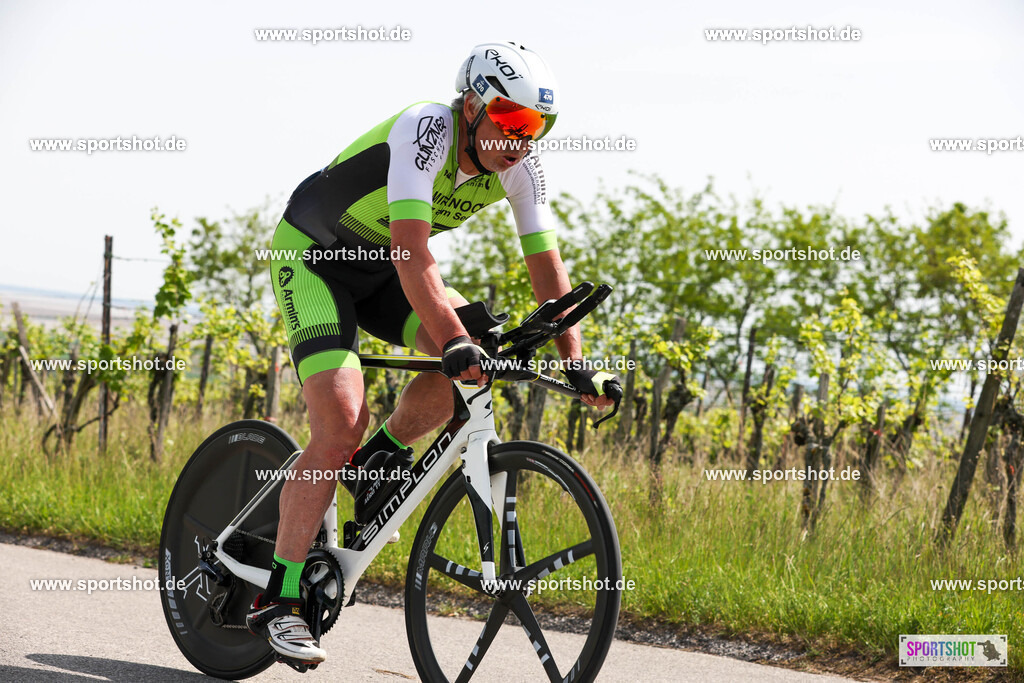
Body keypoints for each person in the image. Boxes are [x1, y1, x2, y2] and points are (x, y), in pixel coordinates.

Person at [247, 41, 618, 664]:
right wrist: (450, 341)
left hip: (389, 271)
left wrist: (575, 358)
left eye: (539, 127)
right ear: (472, 105)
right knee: (340, 424)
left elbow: (547, 267)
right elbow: (413, 253)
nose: (524, 139)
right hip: (320, 258)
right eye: (512, 121)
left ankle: (380, 459)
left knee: (486, 349)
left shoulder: (520, 167)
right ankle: (278, 601)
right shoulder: (426, 129)